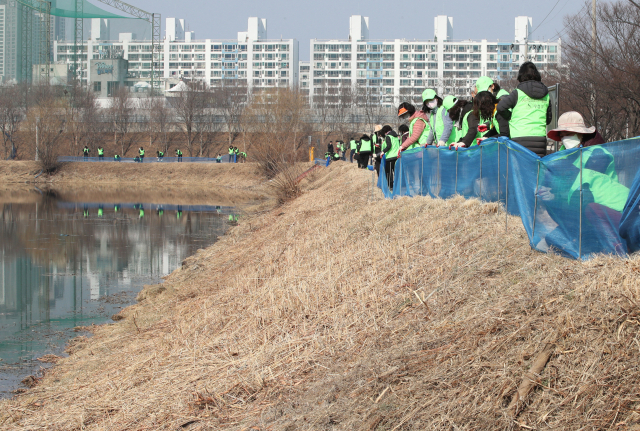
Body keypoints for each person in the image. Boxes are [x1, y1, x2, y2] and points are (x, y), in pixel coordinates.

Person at [535, 111, 628, 255]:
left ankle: (618, 250)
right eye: (562, 134)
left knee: (588, 211)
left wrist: (555, 194)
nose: (565, 138)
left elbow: (583, 192)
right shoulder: (564, 155)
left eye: (569, 133)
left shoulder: (598, 155)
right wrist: (545, 191)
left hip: (606, 210)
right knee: (546, 243)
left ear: (582, 134)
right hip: (578, 210)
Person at [497, 62, 551, 157]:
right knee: (536, 170)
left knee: (520, 170)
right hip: (539, 140)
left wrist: (510, 117)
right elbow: (548, 119)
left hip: (519, 139)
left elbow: (500, 107)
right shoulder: (546, 95)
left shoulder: (518, 93)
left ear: (521, 76)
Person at [379, 125, 399, 189]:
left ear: (385, 131)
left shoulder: (388, 136)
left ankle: (390, 187)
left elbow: (388, 146)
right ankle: (397, 186)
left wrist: (383, 152)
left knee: (389, 173)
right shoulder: (396, 136)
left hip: (390, 157)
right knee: (396, 173)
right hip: (397, 157)